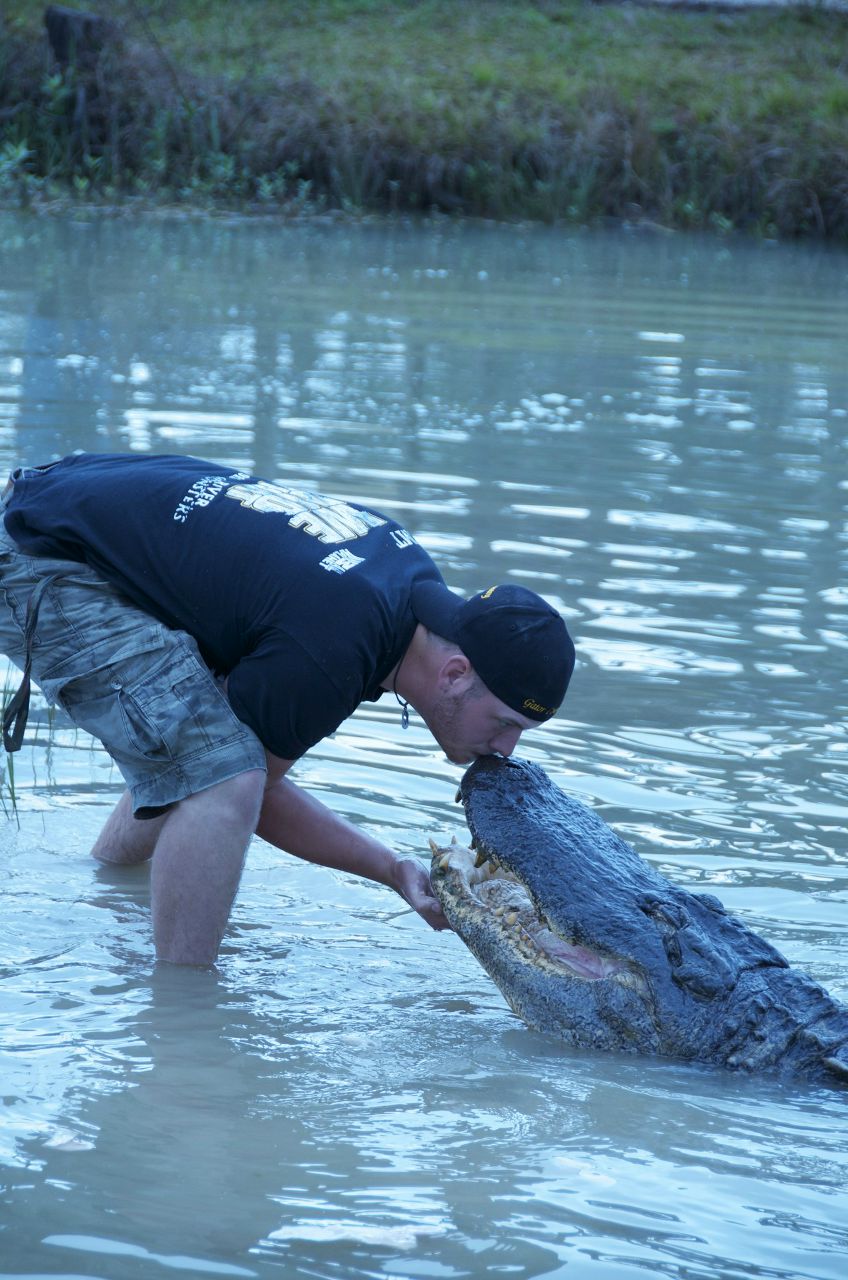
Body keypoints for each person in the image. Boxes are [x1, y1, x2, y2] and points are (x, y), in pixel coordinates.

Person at [0, 453, 575, 965]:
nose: (505, 750)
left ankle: (108, 887)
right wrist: (392, 868)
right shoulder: (335, 643)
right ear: (455, 674)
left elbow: (221, 738)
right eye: (505, 723)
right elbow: (257, 792)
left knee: (210, 742)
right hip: (39, 558)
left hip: (55, 503)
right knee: (228, 775)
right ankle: (183, 1020)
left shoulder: (401, 579)